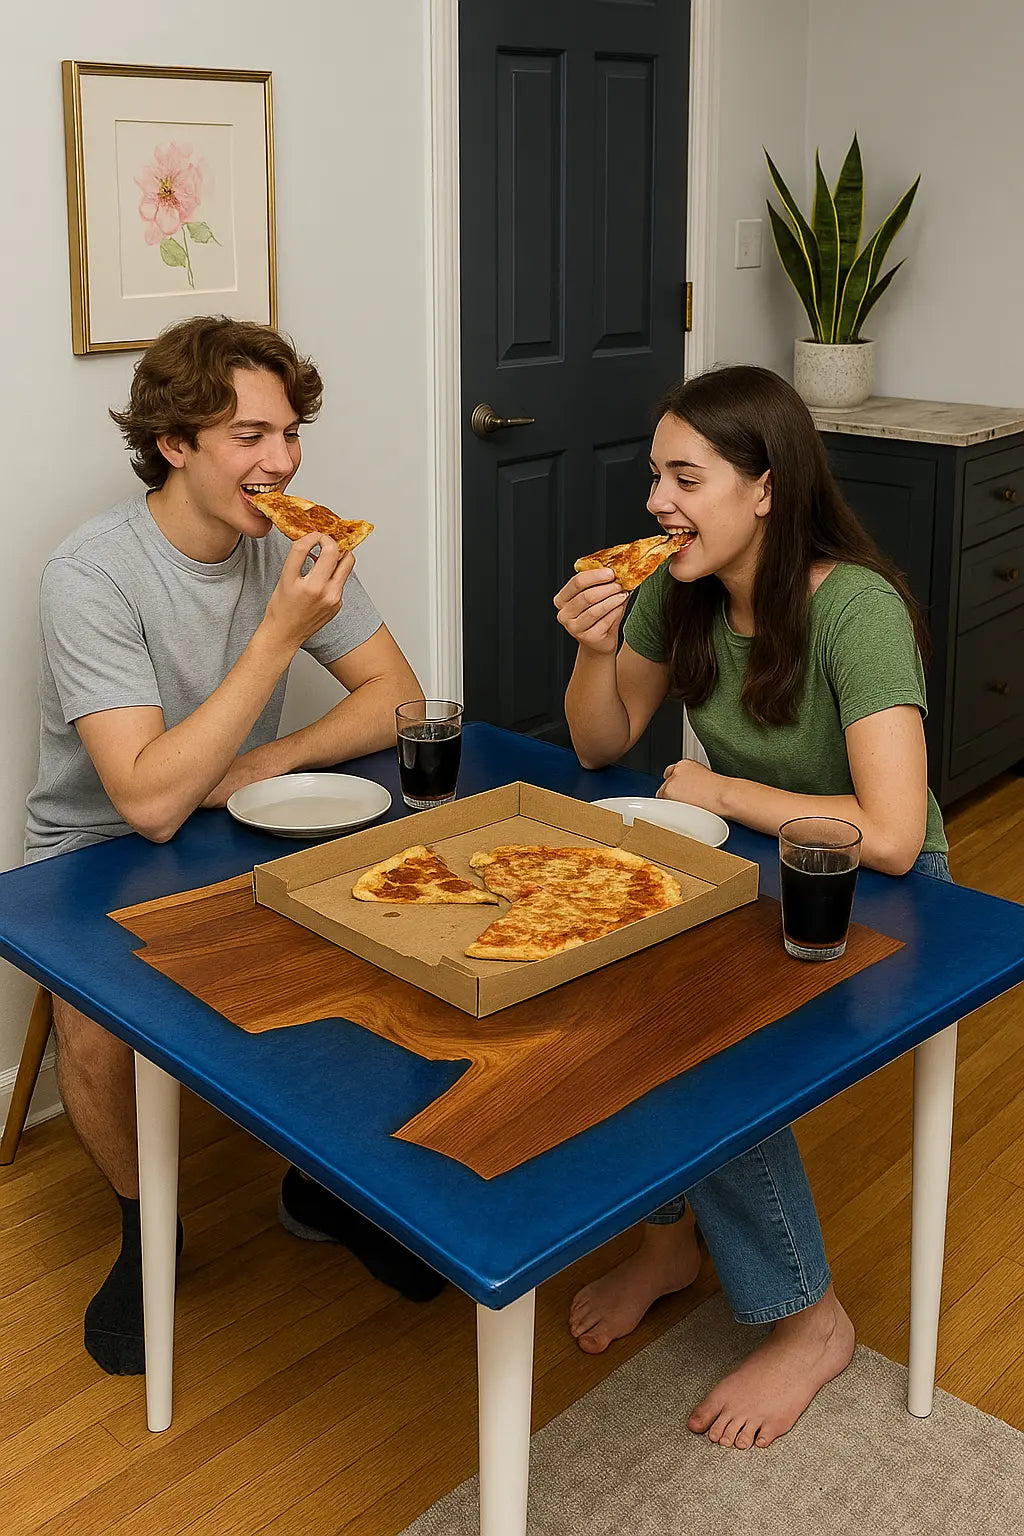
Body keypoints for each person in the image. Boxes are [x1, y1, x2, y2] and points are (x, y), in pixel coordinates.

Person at [24, 315, 444, 1377]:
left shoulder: (291, 543)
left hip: (239, 819)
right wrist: (277, 639)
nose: (284, 460)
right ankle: (143, 1224)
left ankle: (323, 1183)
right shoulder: (92, 575)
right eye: (251, 436)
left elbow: (400, 700)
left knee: (386, 938)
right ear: (175, 443)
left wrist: (268, 762)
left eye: (291, 432)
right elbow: (147, 804)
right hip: (88, 845)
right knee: (93, 1031)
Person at [553, 364, 950, 1450]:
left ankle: (811, 1321)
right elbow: (598, 741)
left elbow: (894, 831)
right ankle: (671, 1239)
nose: (654, 503)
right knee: (598, 977)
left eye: (685, 477)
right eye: (653, 477)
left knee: (701, 1040)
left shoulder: (852, 608)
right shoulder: (669, 587)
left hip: (889, 903)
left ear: (764, 488)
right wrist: (595, 652)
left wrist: (721, 789)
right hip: (752, 873)